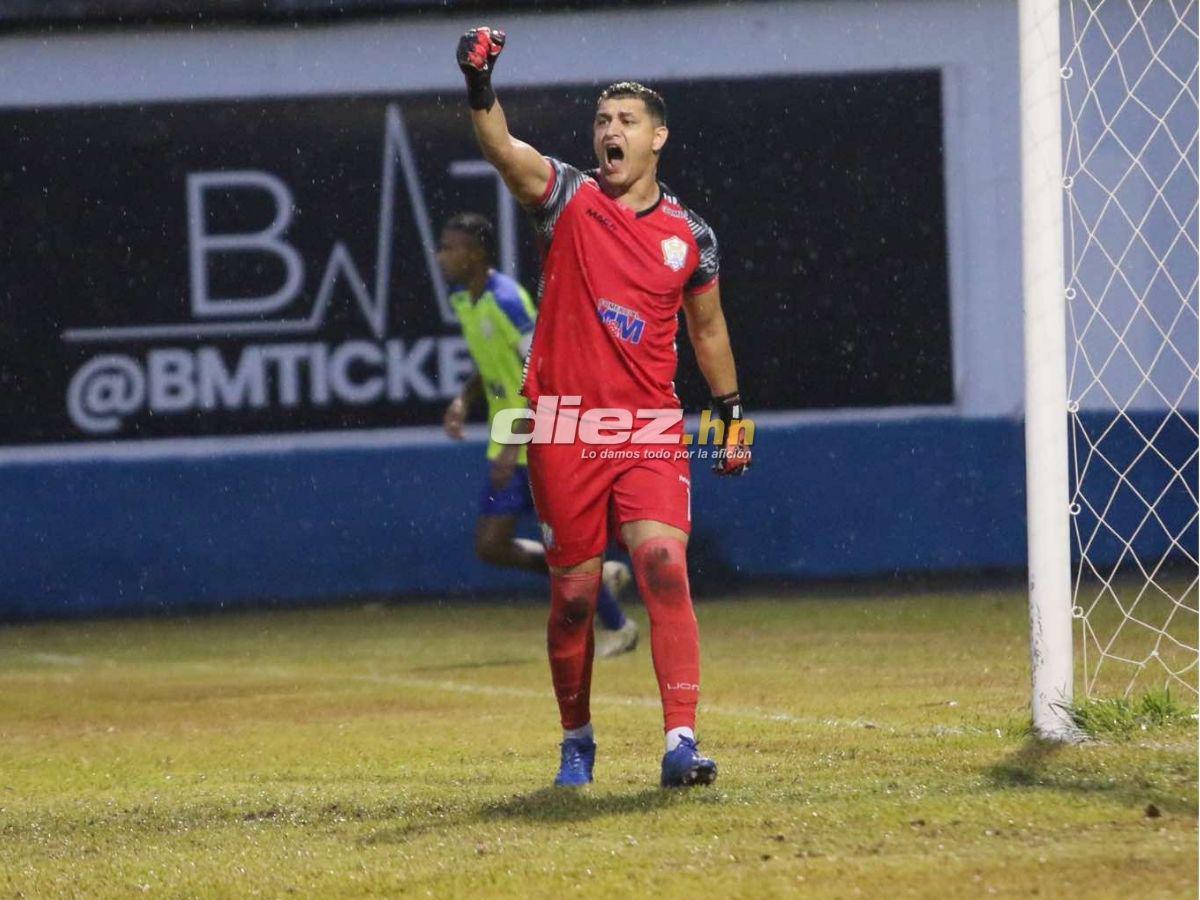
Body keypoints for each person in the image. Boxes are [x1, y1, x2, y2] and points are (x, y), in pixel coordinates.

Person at [455, 28, 752, 789]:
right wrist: (480, 83)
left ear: (658, 138)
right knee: (575, 599)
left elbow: (708, 329)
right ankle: (576, 741)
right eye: (601, 121)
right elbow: (503, 151)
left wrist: (732, 417)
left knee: (661, 564)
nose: (608, 132)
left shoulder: (691, 238)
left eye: (624, 121)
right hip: (561, 429)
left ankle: (681, 743)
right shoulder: (567, 197)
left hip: (649, 428)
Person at [437, 212, 640, 659]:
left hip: (538, 438)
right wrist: (464, 399)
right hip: (509, 442)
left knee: (555, 547)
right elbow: (493, 364)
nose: (442, 255)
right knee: (492, 546)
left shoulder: (508, 300)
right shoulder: (462, 300)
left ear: (476, 253)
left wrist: (513, 443)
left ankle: (619, 626)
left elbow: (542, 369)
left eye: (450, 247)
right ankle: (601, 579)